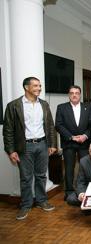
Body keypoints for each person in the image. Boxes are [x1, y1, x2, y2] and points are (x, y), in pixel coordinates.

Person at [3, 76, 57, 220]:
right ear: (27, 87)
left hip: (42, 144)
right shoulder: (13, 106)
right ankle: (25, 205)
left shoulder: (44, 105)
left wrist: (52, 144)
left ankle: (41, 200)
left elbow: (50, 126)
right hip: (24, 146)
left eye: (39, 86)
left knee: (41, 175)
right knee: (26, 178)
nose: (39, 88)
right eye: (35, 86)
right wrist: (10, 150)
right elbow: (7, 131)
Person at [55, 85, 91, 200]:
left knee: (86, 167)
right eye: (72, 93)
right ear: (69, 95)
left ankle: (85, 189)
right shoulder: (61, 107)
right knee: (69, 168)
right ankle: (69, 191)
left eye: (77, 93)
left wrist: (85, 136)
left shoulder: (88, 107)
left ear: (80, 94)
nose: (74, 95)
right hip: (69, 143)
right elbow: (59, 125)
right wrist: (71, 137)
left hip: (84, 143)